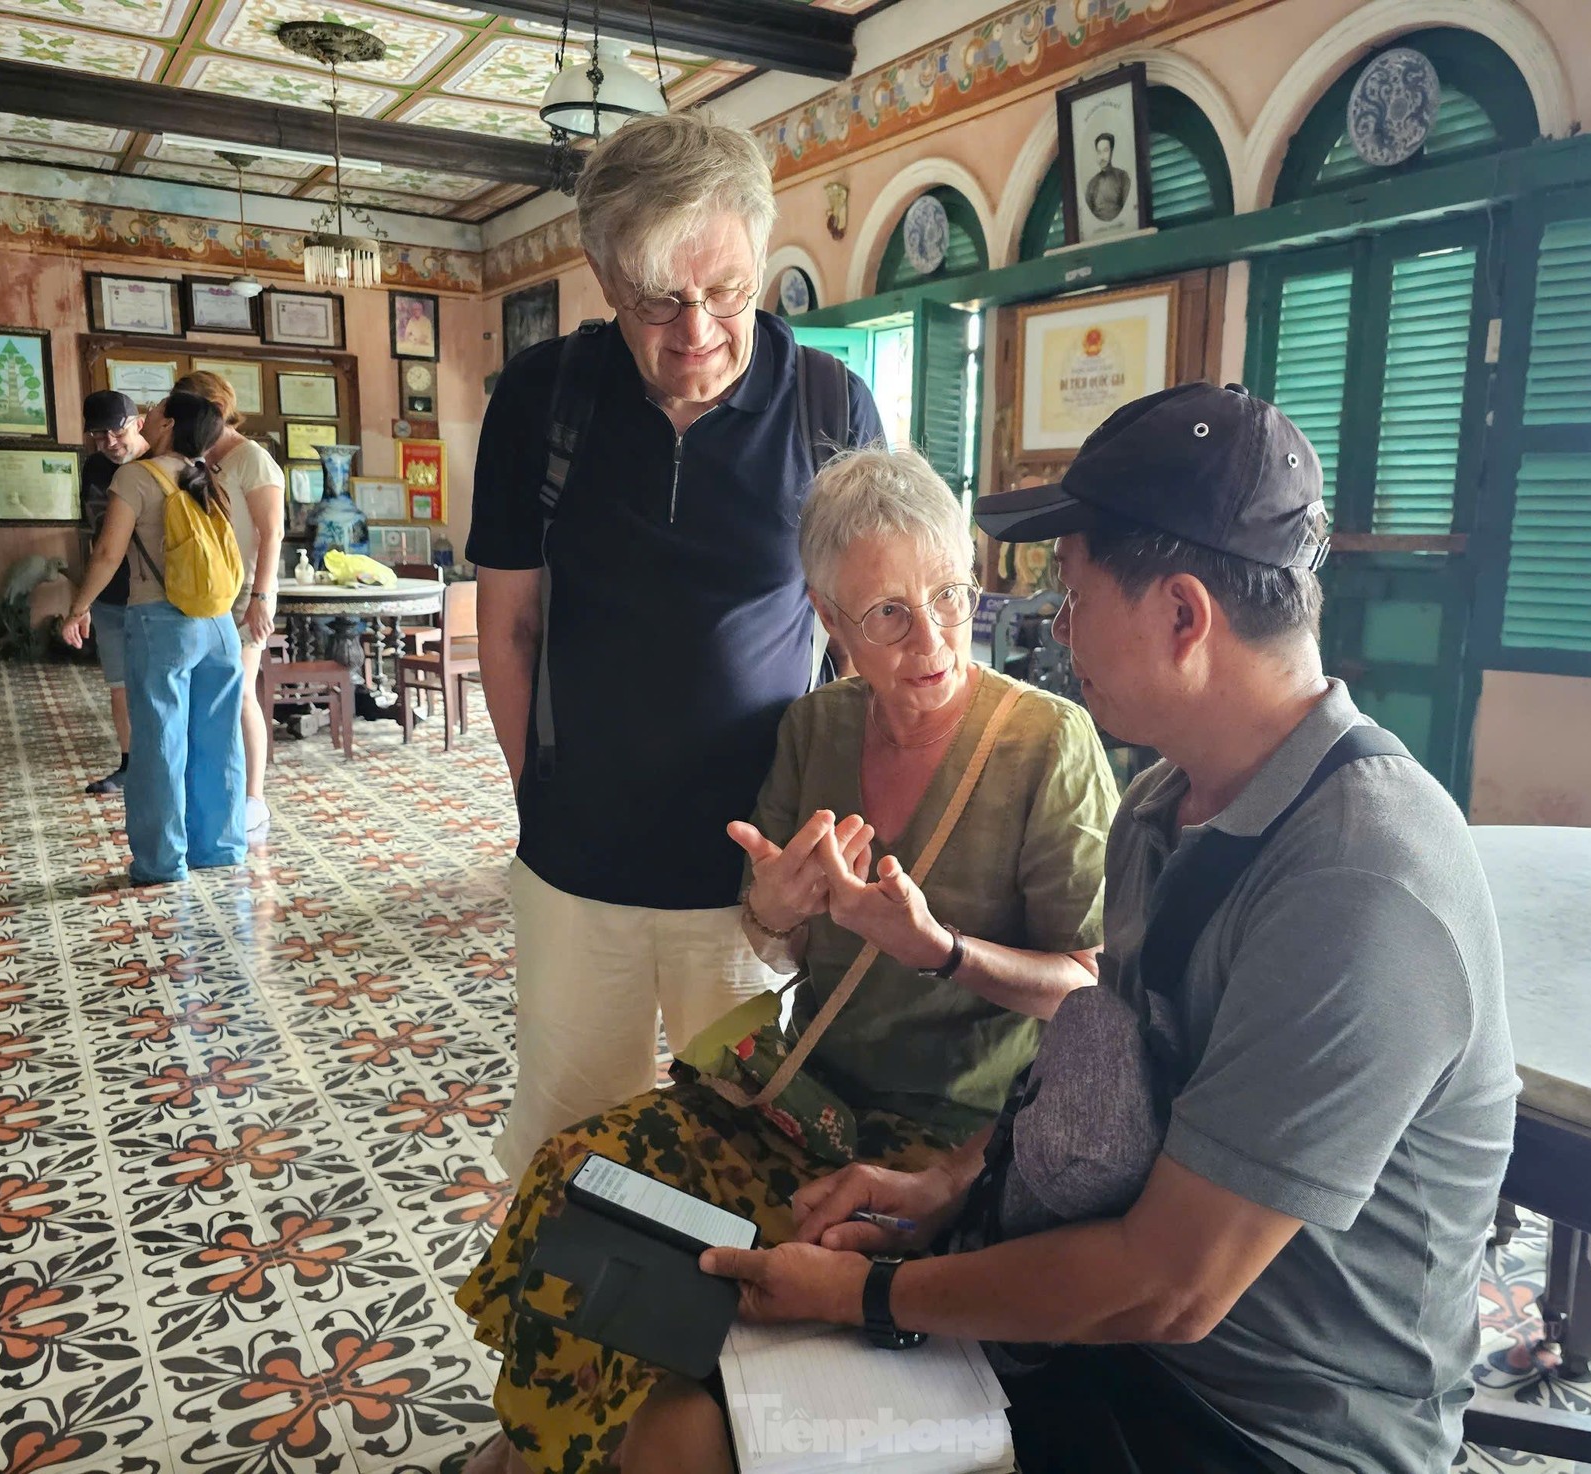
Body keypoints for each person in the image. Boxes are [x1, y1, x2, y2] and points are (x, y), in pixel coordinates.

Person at [623, 384, 1520, 1474]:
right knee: (672, 1425)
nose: (1054, 628)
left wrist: (875, 1293)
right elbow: (1097, 1088)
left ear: (1183, 616)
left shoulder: (1363, 881)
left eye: (1075, 592)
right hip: (1103, 1347)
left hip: (1262, 1423)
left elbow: (1170, 1286)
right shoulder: (1163, 806)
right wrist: (940, 1188)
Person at [456, 446, 1119, 1474]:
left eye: (948, 593)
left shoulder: (1047, 745)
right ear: (828, 622)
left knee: (680, 1254)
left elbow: (1089, 985)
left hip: (943, 1144)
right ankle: (552, 1443)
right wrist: (771, 905)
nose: (932, 638)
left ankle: (617, 1438)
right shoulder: (817, 726)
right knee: (575, 1176)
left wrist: (938, 949)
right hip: (796, 1095)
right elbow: (772, 922)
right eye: (886, 615)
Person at [469, 111, 884, 1177]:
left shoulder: (829, 408)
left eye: (727, 291)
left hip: (755, 884)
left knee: (750, 1142)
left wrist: (826, 840)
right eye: (660, 299)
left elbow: (862, 650)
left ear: (760, 263)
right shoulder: (540, 399)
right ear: (608, 284)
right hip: (578, 869)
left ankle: (725, 1342)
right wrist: (539, 794)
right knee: (570, 1138)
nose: (697, 329)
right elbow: (509, 626)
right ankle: (566, 1330)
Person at [59, 392, 247, 886]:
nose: (152, 411)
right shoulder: (204, 473)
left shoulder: (137, 476)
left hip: (162, 623)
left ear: (167, 422)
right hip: (219, 625)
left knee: (159, 744)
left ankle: (162, 862)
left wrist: (78, 609)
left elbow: (106, 554)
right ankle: (220, 847)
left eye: (159, 407)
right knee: (218, 741)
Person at [173, 370, 284, 846]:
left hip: (245, 591)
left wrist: (260, 598)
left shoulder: (252, 460)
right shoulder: (197, 460)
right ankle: (220, 792)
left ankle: (255, 801)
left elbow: (271, 533)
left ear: (216, 410)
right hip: (210, 587)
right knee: (211, 692)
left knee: (239, 692)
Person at [76, 390, 147, 795]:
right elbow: (95, 538)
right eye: (98, 436)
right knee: (119, 684)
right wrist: (84, 600)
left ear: (137, 422)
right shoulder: (94, 469)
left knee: (161, 684)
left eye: (116, 431)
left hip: (157, 594)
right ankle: (129, 764)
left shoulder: (162, 463)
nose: (109, 443)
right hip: (109, 595)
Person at [1084, 130, 1132, 223]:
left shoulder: (1122, 177)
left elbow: (1128, 209)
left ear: (1112, 152)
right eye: (1099, 152)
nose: (1102, 157)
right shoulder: (1092, 183)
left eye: (1105, 151)